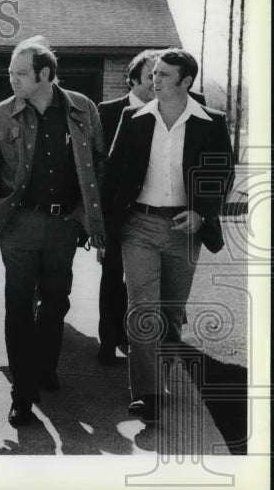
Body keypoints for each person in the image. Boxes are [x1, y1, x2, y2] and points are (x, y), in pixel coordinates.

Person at [0, 35, 107, 427]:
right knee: (18, 308)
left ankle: (46, 368)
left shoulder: (83, 108)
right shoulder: (1, 113)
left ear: (45, 74)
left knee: (55, 302)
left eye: (20, 73)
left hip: (64, 225)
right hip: (19, 224)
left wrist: (85, 214)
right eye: (11, 72)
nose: (11, 79)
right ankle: (22, 394)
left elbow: (99, 163)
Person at [105, 49, 233, 423]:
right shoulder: (133, 119)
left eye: (164, 75)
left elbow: (220, 174)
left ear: (186, 82)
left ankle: (159, 380)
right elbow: (113, 174)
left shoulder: (211, 122)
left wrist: (202, 212)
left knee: (171, 313)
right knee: (142, 308)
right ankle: (147, 394)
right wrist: (105, 227)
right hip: (139, 226)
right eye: (154, 74)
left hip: (184, 229)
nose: (155, 80)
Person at [95, 49, 158, 365]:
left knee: (145, 284)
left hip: (156, 211)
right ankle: (108, 341)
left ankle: (137, 340)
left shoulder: (170, 110)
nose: (156, 83)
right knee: (113, 277)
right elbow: (100, 168)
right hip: (119, 213)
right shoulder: (107, 112)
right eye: (150, 77)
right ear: (133, 79)